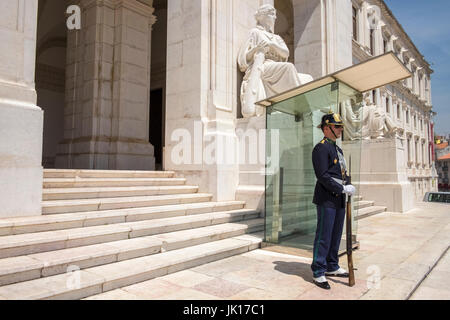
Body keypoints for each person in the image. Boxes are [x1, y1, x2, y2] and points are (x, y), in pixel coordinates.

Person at [237, 4, 313, 118]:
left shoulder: (276, 38)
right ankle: (302, 107)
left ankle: (295, 107)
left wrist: (272, 44)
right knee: (288, 67)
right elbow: (243, 58)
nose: (275, 18)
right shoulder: (255, 33)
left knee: (307, 78)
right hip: (262, 66)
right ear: (263, 16)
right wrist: (256, 50)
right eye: (272, 14)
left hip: (275, 67)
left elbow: (286, 53)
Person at [310, 112, 356, 290]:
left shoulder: (338, 149)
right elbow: (322, 175)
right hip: (327, 199)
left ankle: (332, 265)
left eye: (340, 127)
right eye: (337, 127)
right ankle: (318, 270)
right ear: (326, 128)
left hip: (339, 199)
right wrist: (342, 188)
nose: (340, 130)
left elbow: (343, 172)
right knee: (324, 236)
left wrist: (349, 185)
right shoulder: (320, 148)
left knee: (336, 235)